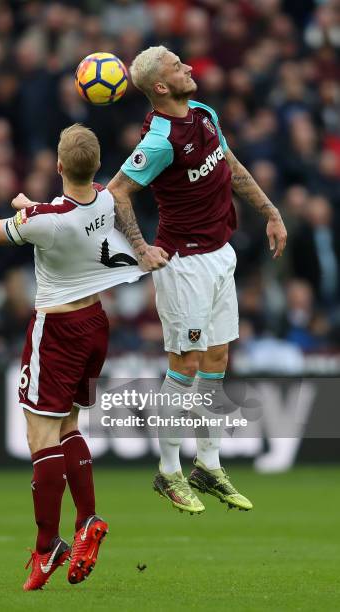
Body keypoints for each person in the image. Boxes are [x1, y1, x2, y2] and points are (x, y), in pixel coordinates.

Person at [0, 124, 164, 590]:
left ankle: (46, 547)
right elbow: (62, 215)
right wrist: (27, 207)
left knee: (41, 437)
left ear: (58, 166)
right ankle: (88, 519)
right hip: (96, 323)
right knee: (70, 427)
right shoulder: (102, 197)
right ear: (96, 167)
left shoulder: (46, 219)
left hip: (56, 330)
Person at [108, 46, 288, 514]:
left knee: (216, 357)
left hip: (220, 254)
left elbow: (229, 165)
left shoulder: (203, 113)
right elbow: (118, 192)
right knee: (184, 366)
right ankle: (168, 471)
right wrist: (142, 247)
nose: (189, 66)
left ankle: (207, 465)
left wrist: (269, 210)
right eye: (176, 65)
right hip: (183, 264)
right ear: (161, 87)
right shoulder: (160, 139)